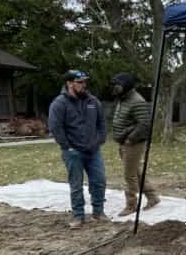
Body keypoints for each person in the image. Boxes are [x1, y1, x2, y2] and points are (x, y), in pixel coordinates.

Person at [48, 70, 108, 228]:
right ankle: (78, 216)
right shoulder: (59, 103)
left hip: (93, 150)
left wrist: (100, 140)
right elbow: (55, 126)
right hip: (73, 152)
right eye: (79, 82)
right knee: (76, 184)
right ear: (69, 83)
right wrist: (67, 146)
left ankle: (98, 212)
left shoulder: (92, 101)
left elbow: (102, 123)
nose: (83, 85)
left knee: (99, 181)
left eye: (84, 82)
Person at [110, 72, 160, 216]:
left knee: (129, 175)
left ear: (126, 85)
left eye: (117, 85)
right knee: (136, 172)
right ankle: (152, 197)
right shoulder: (124, 98)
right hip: (124, 142)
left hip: (133, 143)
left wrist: (130, 139)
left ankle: (131, 205)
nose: (115, 88)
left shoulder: (137, 101)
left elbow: (144, 124)